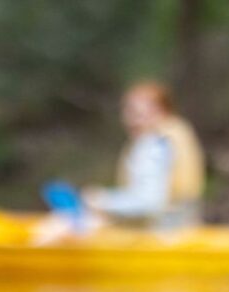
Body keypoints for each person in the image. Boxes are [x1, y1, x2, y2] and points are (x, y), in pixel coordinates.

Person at [82, 81, 205, 230]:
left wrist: (102, 200)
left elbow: (149, 203)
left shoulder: (154, 143)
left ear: (161, 112)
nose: (129, 120)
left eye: (138, 113)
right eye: (128, 111)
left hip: (160, 235)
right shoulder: (174, 135)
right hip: (182, 230)